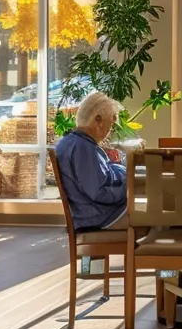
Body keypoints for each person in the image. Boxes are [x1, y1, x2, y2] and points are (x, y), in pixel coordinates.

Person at [56, 92, 130, 232]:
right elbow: (99, 193)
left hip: (91, 213)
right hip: (99, 217)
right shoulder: (83, 148)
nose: (110, 130)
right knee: (151, 212)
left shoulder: (73, 142)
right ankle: (156, 252)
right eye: (110, 123)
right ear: (98, 120)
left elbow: (97, 179)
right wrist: (128, 186)